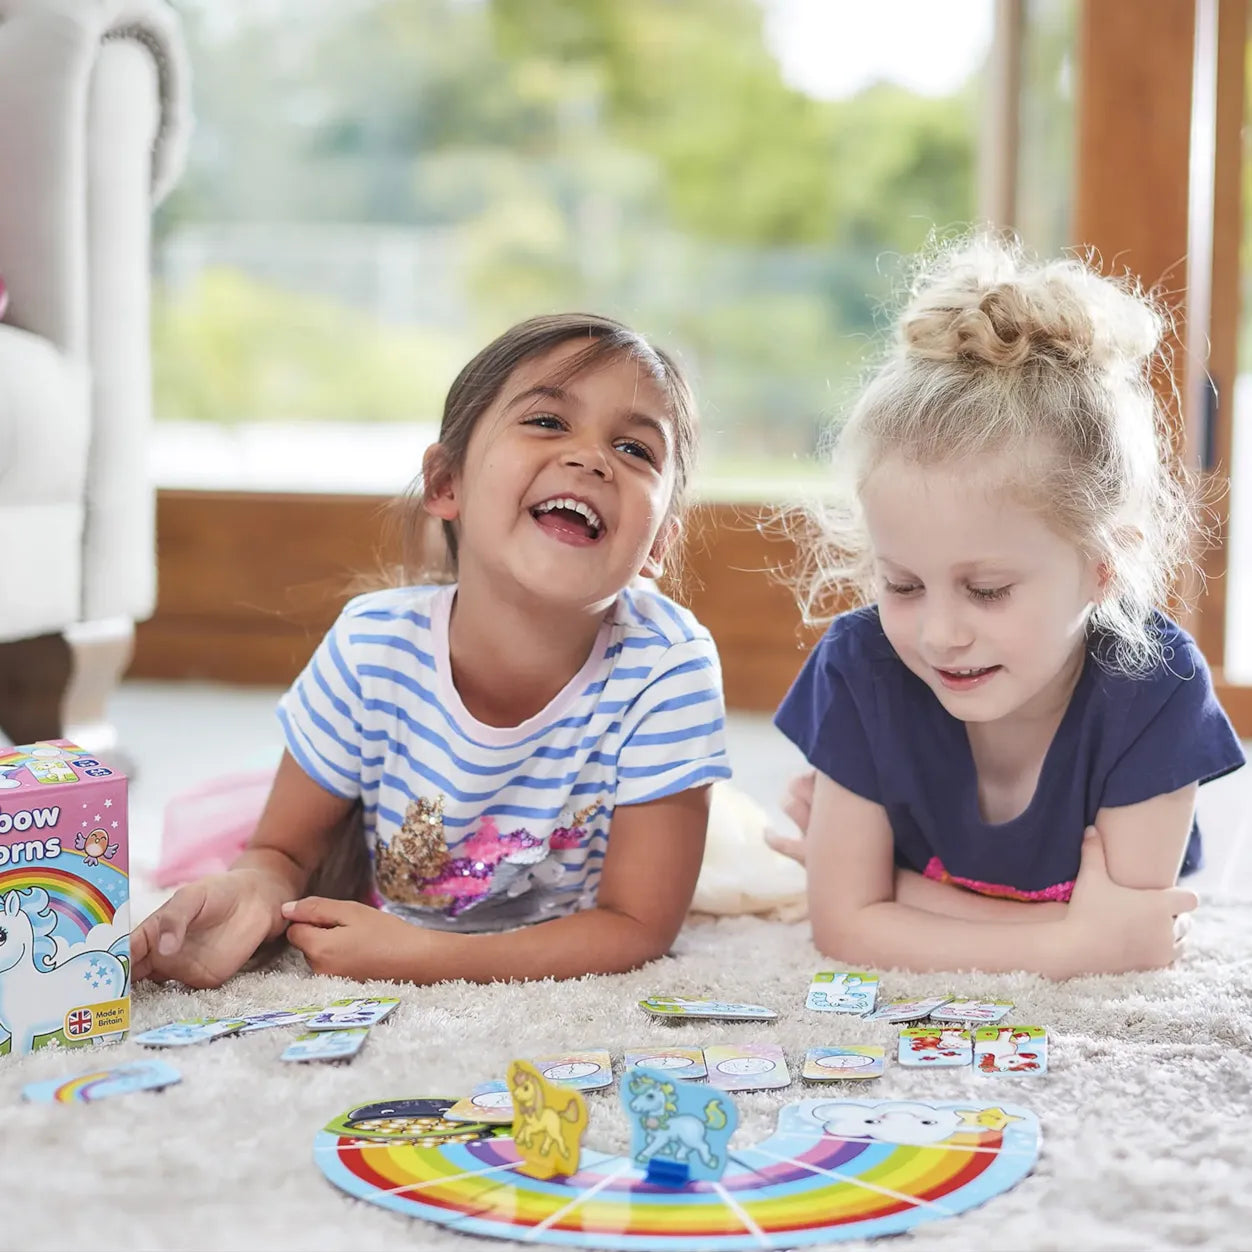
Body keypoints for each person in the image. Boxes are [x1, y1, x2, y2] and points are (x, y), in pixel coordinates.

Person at [132, 313, 732, 988]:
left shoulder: (668, 666)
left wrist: (427, 958)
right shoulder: (372, 646)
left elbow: (639, 926)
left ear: (659, 546)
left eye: (635, 449)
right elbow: (280, 852)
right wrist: (249, 894)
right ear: (446, 484)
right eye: (547, 422)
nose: (590, 456)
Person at [768, 234, 1244, 979]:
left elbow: (1135, 936)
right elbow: (842, 929)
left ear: (1102, 567)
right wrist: (1068, 941)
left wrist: (897, 893)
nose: (939, 633)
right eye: (901, 585)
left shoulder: (1157, 684)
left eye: (987, 591)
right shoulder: (864, 662)